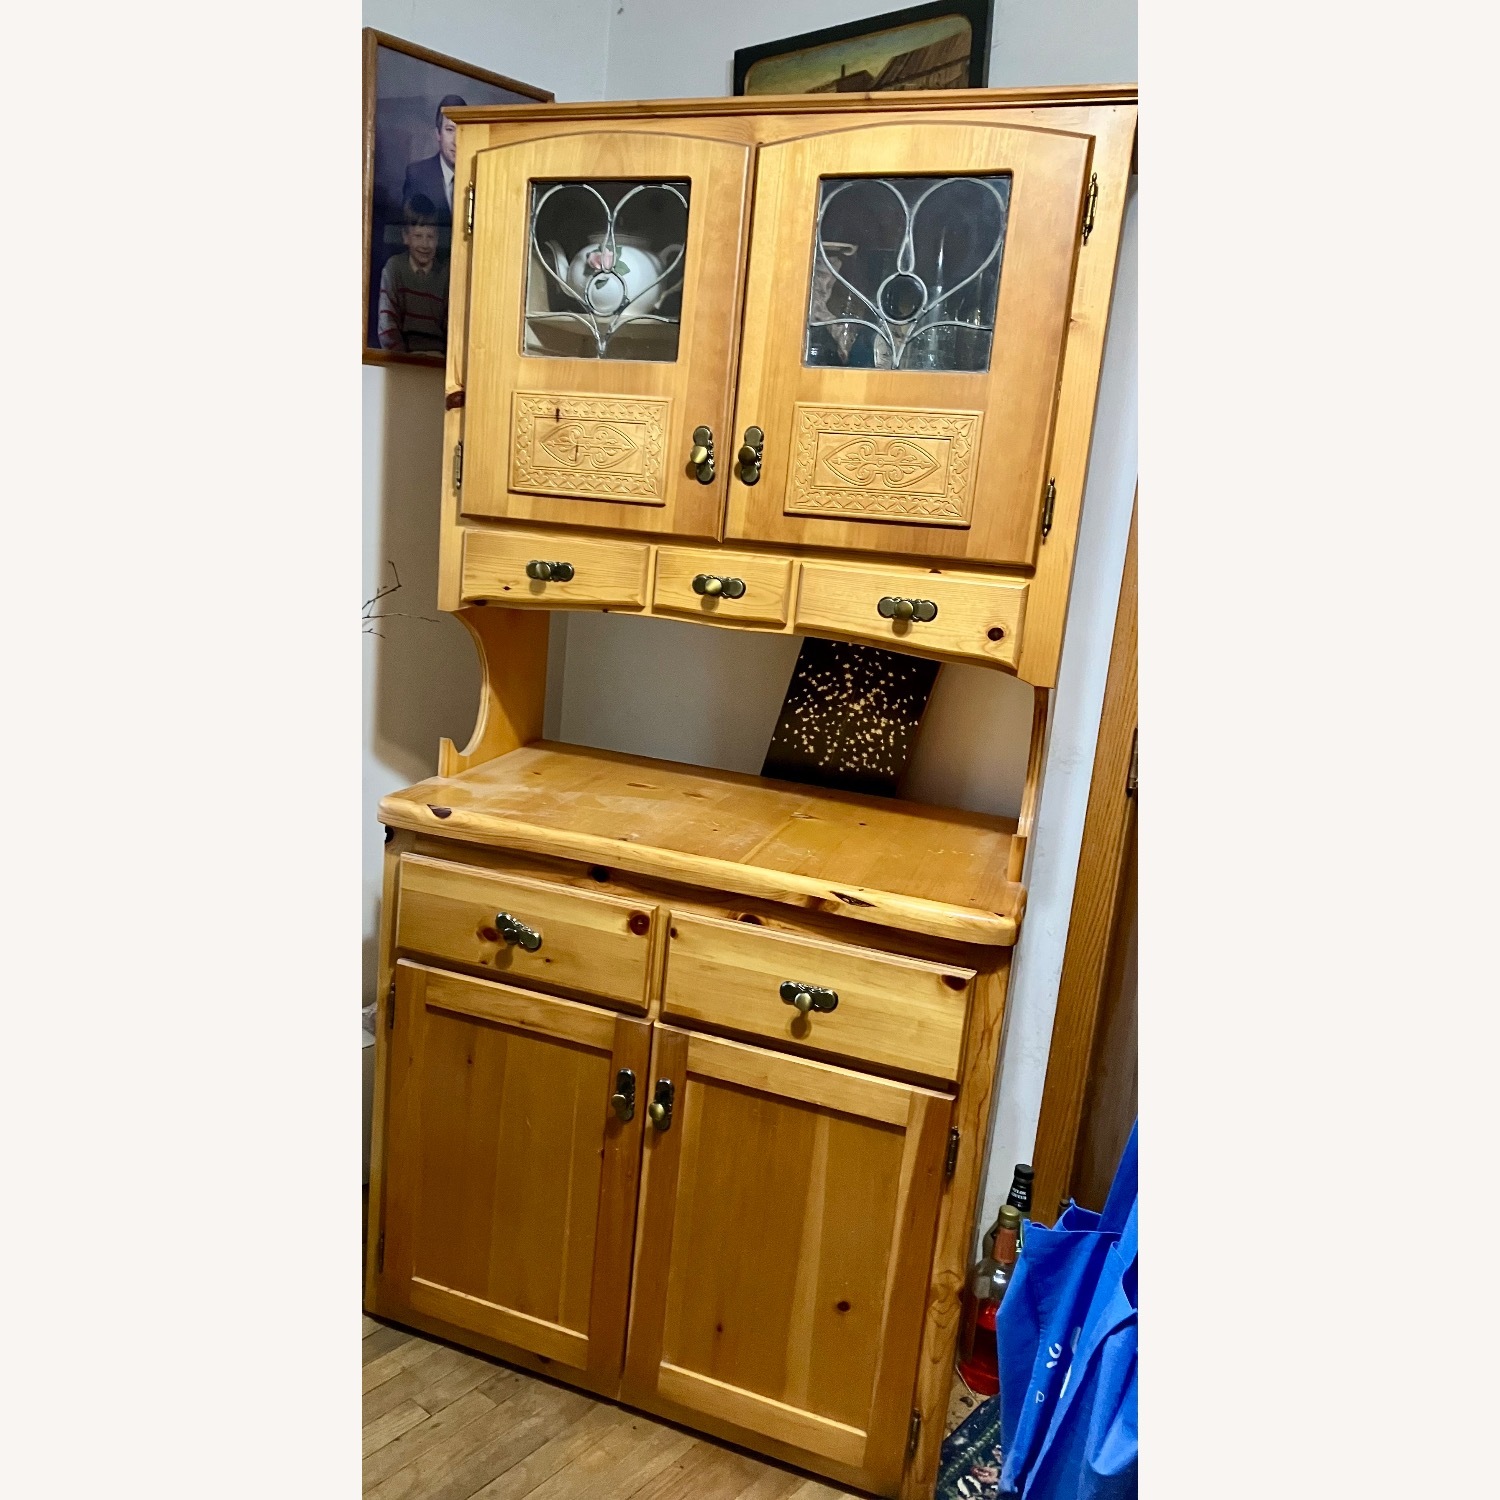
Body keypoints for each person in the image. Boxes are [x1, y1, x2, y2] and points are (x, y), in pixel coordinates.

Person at [378, 196, 448, 354]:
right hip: (403, 358)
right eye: (418, 236)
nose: (425, 244)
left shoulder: (445, 274)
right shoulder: (394, 268)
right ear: (405, 237)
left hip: (438, 359)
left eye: (430, 237)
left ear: (437, 239)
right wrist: (403, 360)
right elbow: (387, 325)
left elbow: (451, 325)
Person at [402, 94, 466, 226]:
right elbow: (411, 230)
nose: (456, 141)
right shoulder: (417, 175)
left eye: (462, 131)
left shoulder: (478, 175)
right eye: (450, 130)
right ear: (438, 134)